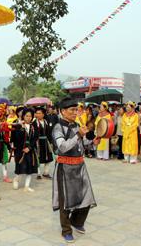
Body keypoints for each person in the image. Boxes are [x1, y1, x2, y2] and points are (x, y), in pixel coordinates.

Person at [52, 97, 96, 243]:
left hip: (79, 166)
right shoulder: (58, 127)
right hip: (64, 168)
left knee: (86, 196)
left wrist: (93, 141)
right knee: (65, 201)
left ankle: (77, 222)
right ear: (63, 111)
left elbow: (82, 144)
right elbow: (63, 147)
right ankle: (66, 230)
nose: (75, 112)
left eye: (76, 110)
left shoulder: (77, 125)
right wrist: (79, 135)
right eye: (71, 110)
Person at [11, 108, 39, 192]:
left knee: (30, 168)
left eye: (30, 116)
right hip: (20, 150)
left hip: (30, 150)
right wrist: (22, 128)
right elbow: (16, 138)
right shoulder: (18, 126)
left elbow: (35, 138)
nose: (28, 118)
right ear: (23, 116)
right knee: (20, 168)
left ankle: (26, 186)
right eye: (27, 116)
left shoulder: (34, 127)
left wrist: (29, 147)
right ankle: (16, 179)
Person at [33, 107, 54, 180]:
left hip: (46, 142)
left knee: (48, 157)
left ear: (43, 114)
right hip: (37, 142)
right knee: (38, 157)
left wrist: (51, 142)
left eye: (39, 113)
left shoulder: (46, 121)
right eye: (36, 113)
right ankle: (38, 173)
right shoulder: (33, 122)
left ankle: (46, 172)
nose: (37, 115)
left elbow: (49, 133)